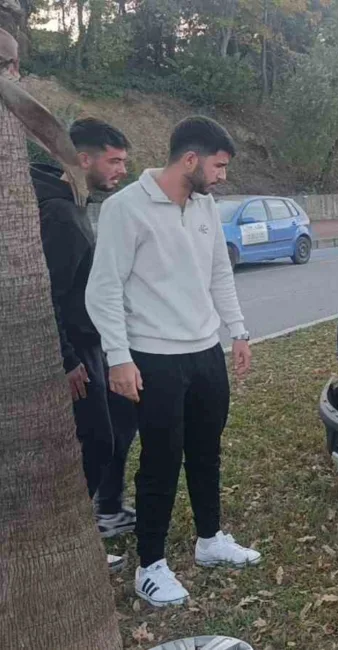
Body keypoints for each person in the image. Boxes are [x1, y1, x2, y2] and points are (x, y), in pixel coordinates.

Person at [85, 115, 259, 608]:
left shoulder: (205, 206)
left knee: (206, 451)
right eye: (219, 166)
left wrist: (238, 331)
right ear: (190, 159)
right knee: (161, 462)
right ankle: (150, 565)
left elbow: (220, 274)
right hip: (154, 357)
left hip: (206, 354)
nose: (223, 175)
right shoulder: (126, 208)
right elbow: (103, 290)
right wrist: (119, 358)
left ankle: (210, 540)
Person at [32, 117, 138, 573]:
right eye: (113, 161)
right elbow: (46, 293)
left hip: (87, 343)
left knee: (109, 433)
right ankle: (71, 539)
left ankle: (95, 521)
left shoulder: (69, 201)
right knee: (95, 443)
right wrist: (69, 360)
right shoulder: (58, 212)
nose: (120, 171)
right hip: (75, 350)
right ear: (83, 159)